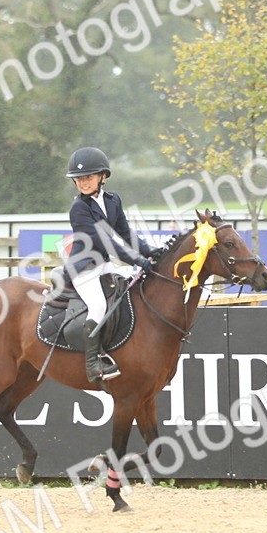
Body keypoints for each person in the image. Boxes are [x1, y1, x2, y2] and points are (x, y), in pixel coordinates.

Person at [64, 147, 154, 382]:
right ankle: (93, 364)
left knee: (128, 294)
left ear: (102, 177)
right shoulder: (79, 209)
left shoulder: (113, 200)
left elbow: (125, 233)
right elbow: (106, 243)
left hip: (103, 264)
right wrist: (139, 261)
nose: (83, 183)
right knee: (98, 307)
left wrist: (152, 251)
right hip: (84, 268)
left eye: (88, 177)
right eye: (79, 179)